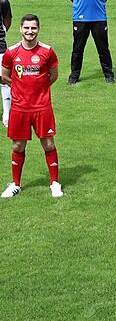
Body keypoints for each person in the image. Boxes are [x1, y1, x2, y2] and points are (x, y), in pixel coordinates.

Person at [0, 15, 62, 198]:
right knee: (18, 146)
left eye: (33, 28)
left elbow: (53, 75)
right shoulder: (11, 52)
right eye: (26, 28)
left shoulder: (47, 51)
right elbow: (4, 75)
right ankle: (15, 184)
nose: (30, 31)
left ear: (38, 29)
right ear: (20, 29)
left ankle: (55, 183)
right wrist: (19, 87)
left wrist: (39, 88)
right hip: (19, 108)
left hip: (42, 107)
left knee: (48, 144)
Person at [66, 0, 115, 85]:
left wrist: (97, 3)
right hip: (80, 18)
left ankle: (109, 75)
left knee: (103, 49)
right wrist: (81, 5)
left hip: (99, 18)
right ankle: (74, 76)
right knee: (77, 49)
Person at [0, 0, 12, 127]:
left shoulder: (2, 1)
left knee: (3, 79)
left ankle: (7, 114)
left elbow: (7, 22)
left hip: (0, 46)